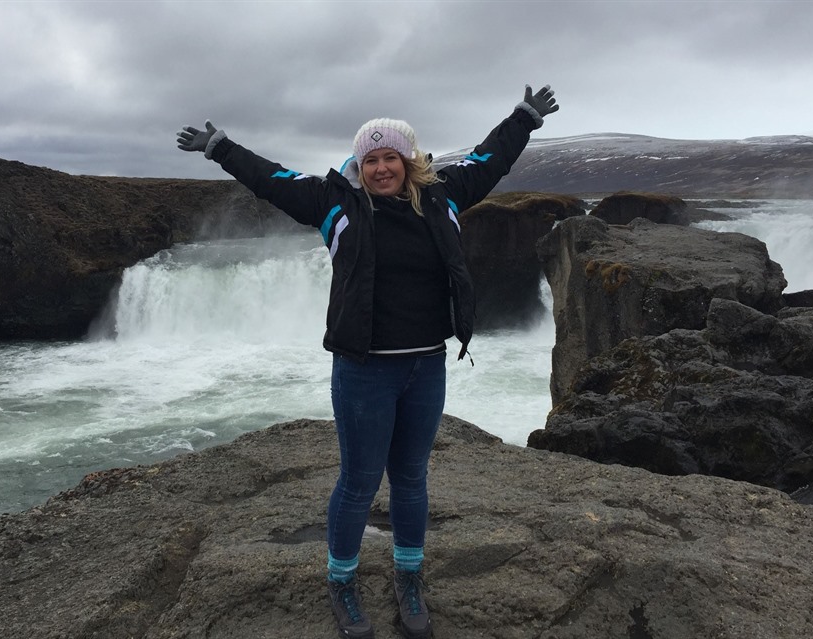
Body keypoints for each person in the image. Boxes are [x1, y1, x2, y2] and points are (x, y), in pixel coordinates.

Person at [177, 85, 559, 639]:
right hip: (364, 369)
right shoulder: (332, 201)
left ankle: (408, 577)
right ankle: (342, 581)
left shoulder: (445, 195)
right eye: (371, 159)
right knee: (358, 481)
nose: (381, 168)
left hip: (425, 364)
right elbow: (271, 179)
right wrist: (221, 147)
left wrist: (523, 118)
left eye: (391, 158)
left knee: (410, 477)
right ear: (359, 164)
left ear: (409, 162)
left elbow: (489, 158)